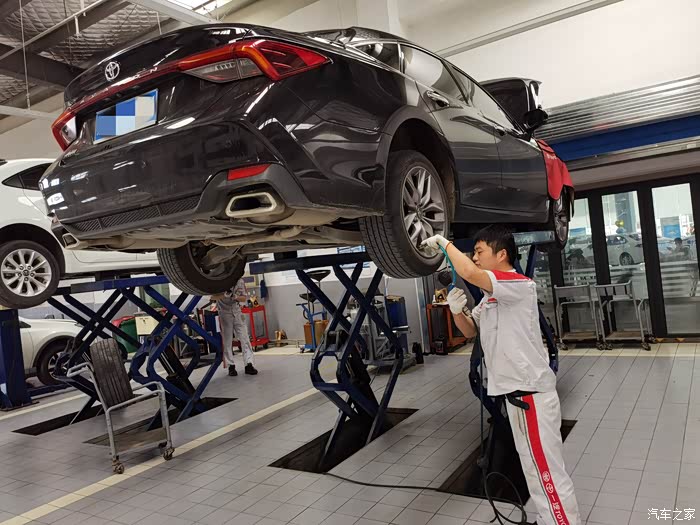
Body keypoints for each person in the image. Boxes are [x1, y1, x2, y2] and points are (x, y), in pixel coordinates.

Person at [422, 226, 580, 525]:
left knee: (547, 474)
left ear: (502, 254)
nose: (475, 257)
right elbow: (471, 331)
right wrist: (456, 311)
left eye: (479, 251)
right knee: (533, 470)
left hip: (532, 398)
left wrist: (444, 244)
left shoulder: (518, 284)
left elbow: (469, 272)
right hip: (516, 399)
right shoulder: (489, 299)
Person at [212, 278, 258, 376]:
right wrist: (224, 295)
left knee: (245, 339)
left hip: (237, 312)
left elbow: (244, 298)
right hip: (224, 313)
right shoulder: (218, 280)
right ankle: (231, 366)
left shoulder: (239, 281)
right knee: (227, 341)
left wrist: (235, 296)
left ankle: (249, 364)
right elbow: (212, 297)